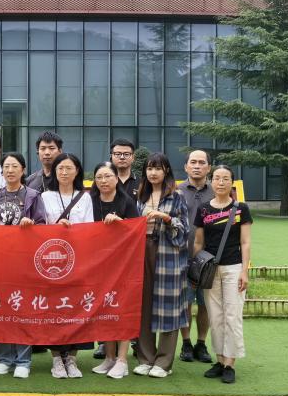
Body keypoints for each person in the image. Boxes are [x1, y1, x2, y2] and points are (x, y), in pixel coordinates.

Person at [0, 152, 46, 379]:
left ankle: (23, 360)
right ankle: (5, 358)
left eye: (14, 166)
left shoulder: (32, 195)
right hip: (0, 261)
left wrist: (31, 225)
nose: (10, 170)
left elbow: (42, 226)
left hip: (24, 261)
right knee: (2, 309)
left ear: (23, 170)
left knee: (22, 309)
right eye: (6, 167)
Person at [194, 165, 253, 385]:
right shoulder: (203, 209)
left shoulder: (240, 209)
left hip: (233, 268)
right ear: (211, 181)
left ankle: (230, 364)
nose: (220, 182)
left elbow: (245, 242)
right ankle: (219, 360)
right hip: (210, 270)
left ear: (232, 182)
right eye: (217, 178)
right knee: (215, 317)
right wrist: (196, 270)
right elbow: (198, 242)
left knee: (232, 316)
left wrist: (245, 271)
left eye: (225, 178)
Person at [134, 153, 190, 379]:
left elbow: (184, 229)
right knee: (143, 305)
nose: (153, 173)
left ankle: (164, 362)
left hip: (168, 255)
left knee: (169, 306)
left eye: (158, 168)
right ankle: (145, 358)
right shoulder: (140, 196)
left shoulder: (176, 196)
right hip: (142, 252)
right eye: (149, 168)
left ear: (166, 170)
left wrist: (166, 219)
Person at [38, 153, 94, 379]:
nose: (64, 172)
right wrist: (56, 226)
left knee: (76, 309)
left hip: (78, 261)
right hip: (52, 262)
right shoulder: (45, 196)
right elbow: (40, 228)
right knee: (53, 309)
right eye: (60, 168)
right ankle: (56, 359)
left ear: (77, 171)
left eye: (69, 168)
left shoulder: (85, 197)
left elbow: (90, 229)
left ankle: (71, 358)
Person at [88, 161, 140, 380]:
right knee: (104, 309)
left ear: (117, 179)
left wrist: (121, 222)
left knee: (122, 310)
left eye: (108, 176)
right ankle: (109, 357)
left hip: (123, 265)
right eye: (99, 177)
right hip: (98, 265)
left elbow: (136, 231)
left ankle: (122, 360)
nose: (103, 181)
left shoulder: (127, 202)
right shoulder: (89, 201)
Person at [178, 149, 213, 364]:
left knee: (205, 303)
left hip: (210, 259)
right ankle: (186, 343)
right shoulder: (176, 191)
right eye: (193, 162)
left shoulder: (217, 191)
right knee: (185, 303)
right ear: (186, 167)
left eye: (201, 162)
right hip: (182, 257)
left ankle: (201, 343)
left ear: (209, 167)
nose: (197, 166)